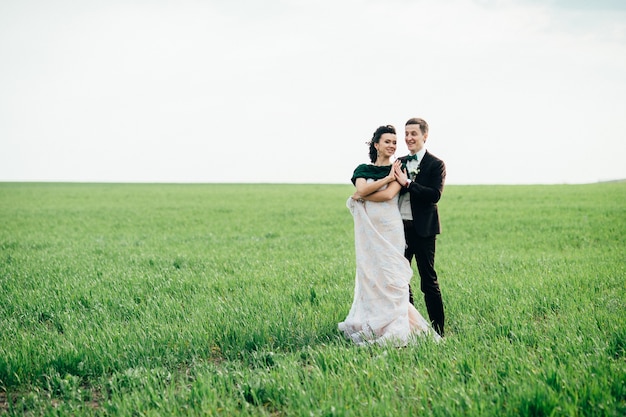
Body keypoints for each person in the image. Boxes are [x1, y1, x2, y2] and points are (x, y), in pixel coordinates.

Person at [338, 124, 440, 346]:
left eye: (395, 142)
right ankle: (373, 321)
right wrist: (386, 178)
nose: (393, 145)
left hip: (392, 230)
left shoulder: (399, 166)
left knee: (394, 278)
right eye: (388, 141)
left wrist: (364, 194)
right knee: (372, 275)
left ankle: (399, 322)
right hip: (369, 233)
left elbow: (386, 196)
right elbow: (362, 189)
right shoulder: (363, 168)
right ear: (376, 144)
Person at [393, 117, 446, 337]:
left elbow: (434, 195)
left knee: (428, 281)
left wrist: (408, 184)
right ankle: (410, 327)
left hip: (423, 230)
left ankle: (438, 331)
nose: (408, 138)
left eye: (413, 134)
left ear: (425, 135)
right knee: (400, 280)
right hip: (399, 230)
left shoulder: (436, 164)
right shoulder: (400, 161)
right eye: (406, 134)